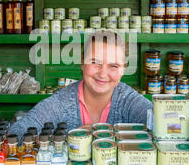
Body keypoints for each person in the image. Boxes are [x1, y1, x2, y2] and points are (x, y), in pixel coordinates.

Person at [8, 30, 152, 140]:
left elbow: (164, 126)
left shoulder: (128, 100)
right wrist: (67, 139)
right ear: (82, 62)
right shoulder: (62, 101)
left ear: (123, 69)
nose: (103, 73)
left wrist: (104, 134)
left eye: (113, 66)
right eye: (94, 62)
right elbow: (16, 132)